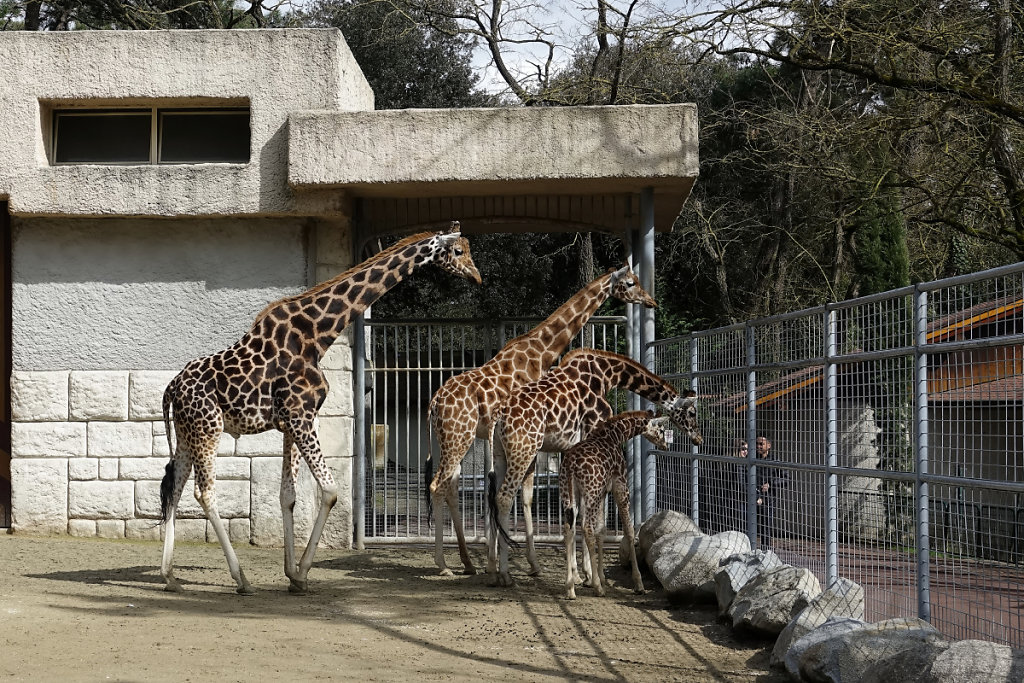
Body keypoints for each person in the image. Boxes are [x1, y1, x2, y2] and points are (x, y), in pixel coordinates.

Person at [754, 436, 787, 546]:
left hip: (768, 499)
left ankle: (765, 551)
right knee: (750, 526)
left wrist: (771, 484)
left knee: (766, 528)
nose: (758, 446)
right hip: (753, 497)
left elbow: (786, 479)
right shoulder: (752, 459)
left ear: (769, 446)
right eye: (757, 443)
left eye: (761, 444)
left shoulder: (774, 460)